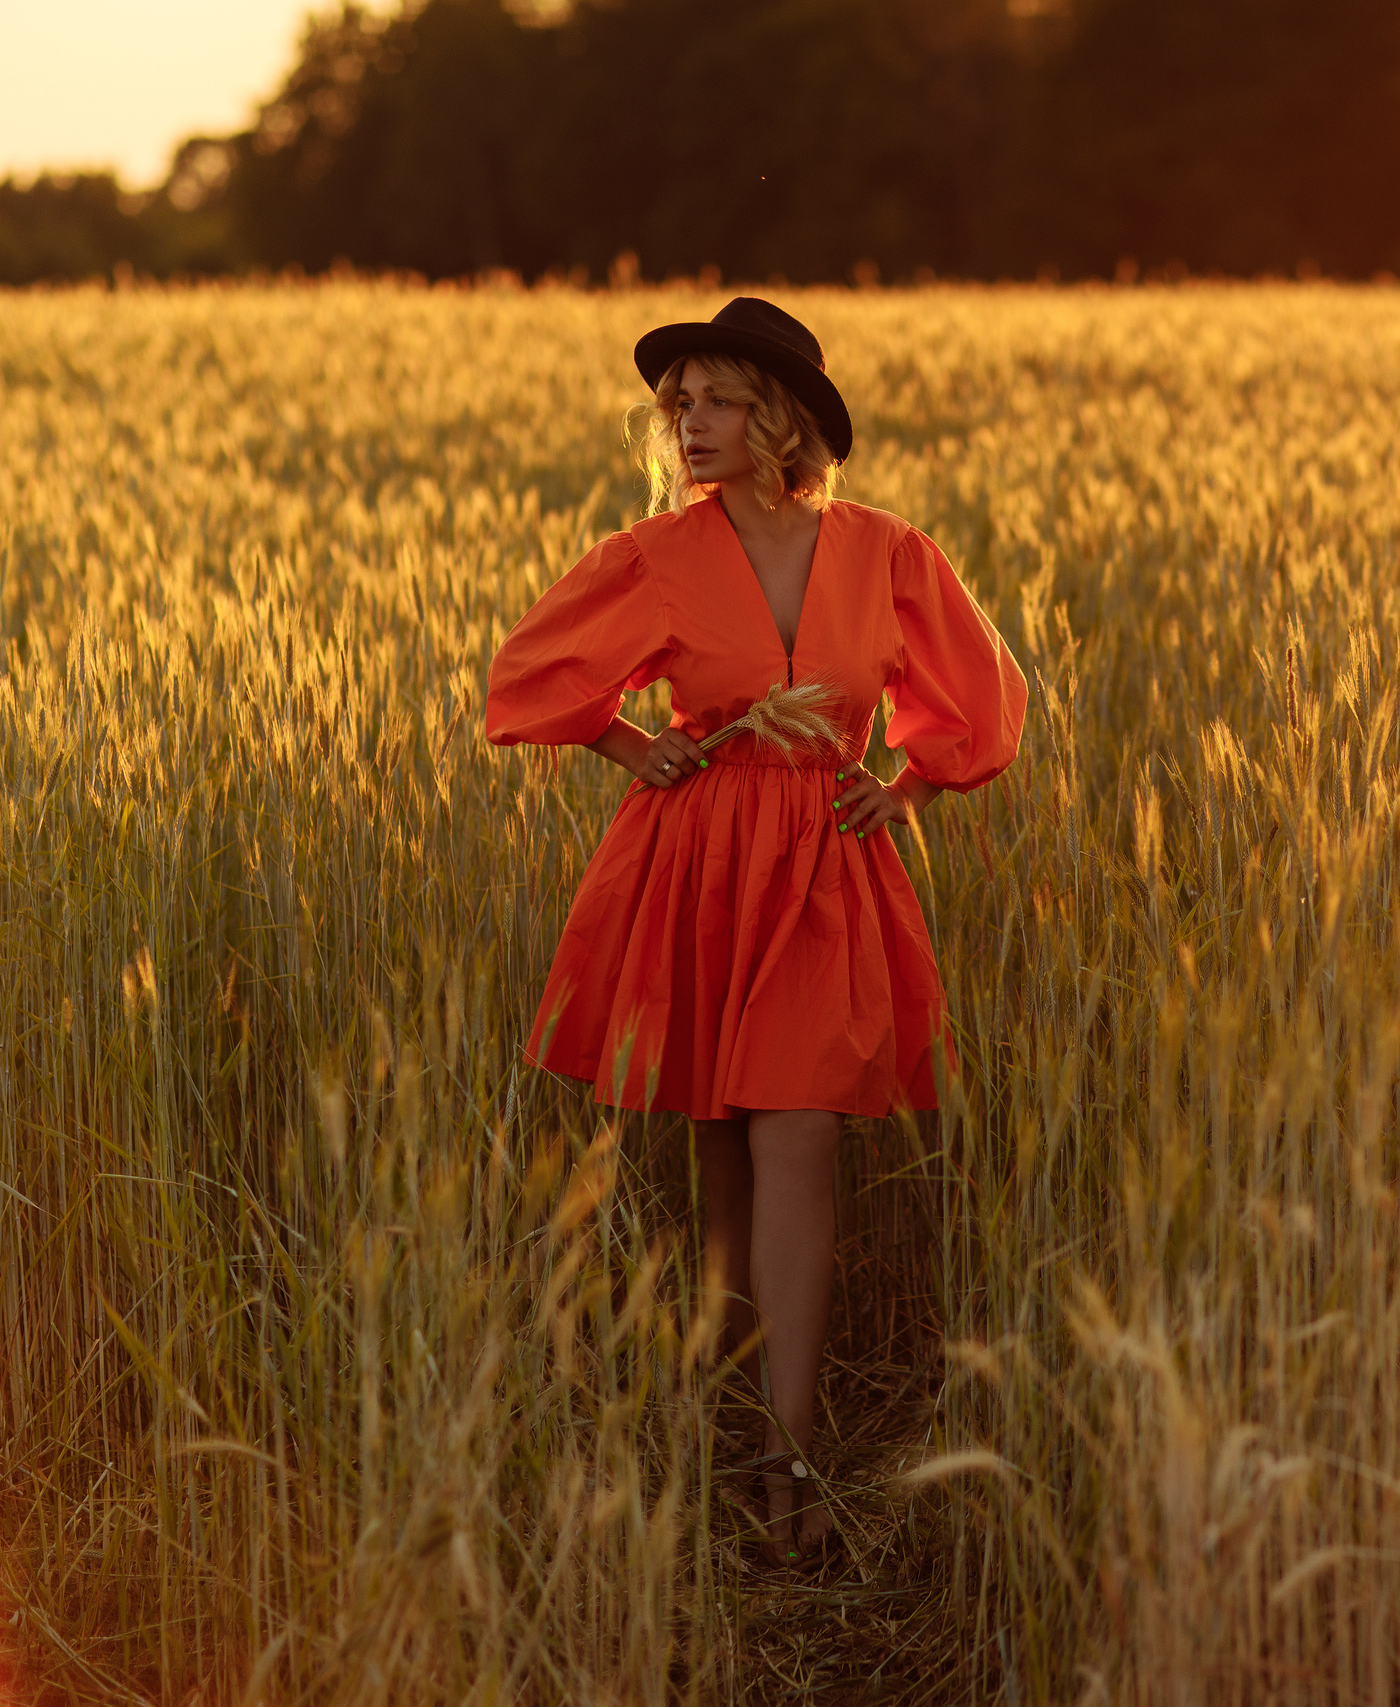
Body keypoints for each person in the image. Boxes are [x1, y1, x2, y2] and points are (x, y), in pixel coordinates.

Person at [484, 297, 1026, 1563]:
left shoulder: (887, 551)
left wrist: (906, 782)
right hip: (697, 858)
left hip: (828, 869)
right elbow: (531, 672)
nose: (689, 426)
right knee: (720, 1160)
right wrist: (631, 738)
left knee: (797, 1150)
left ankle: (786, 1469)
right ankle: (735, 1435)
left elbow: (982, 701)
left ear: (780, 416)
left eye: (716, 401)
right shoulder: (653, 555)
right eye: (678, 406)